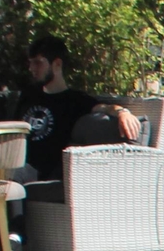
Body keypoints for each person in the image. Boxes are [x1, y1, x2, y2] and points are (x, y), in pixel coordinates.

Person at [15, 36, 137, 183]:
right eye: (30, 63)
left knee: (11, 176)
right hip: (16, 162)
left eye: (38, 63)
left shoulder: (74, 100)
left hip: (43, 172)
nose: (32, 69)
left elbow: (104, 107)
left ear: (57, 64)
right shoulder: (28, 95)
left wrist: (122, 113)